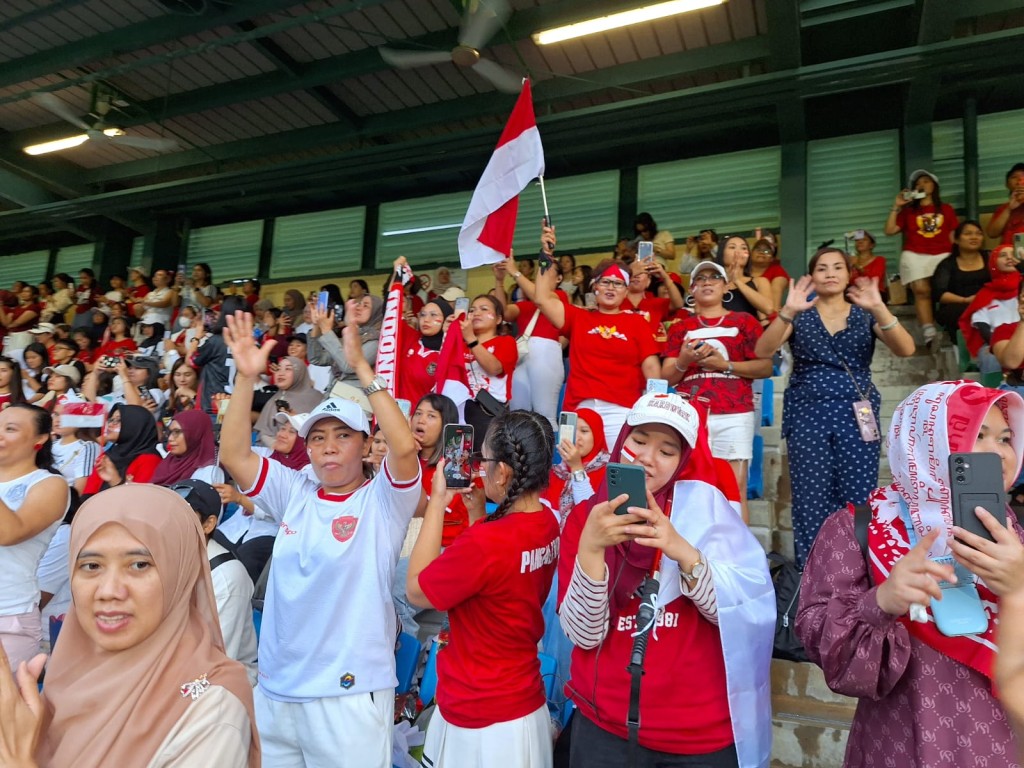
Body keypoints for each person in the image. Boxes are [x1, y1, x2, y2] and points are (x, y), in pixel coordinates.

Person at [219, 310, 420, 767]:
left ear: (367, 445)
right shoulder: (295, 490)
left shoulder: (382, 500)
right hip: (277, 691)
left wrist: (364, 371)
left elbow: (405, 449)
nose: (328, 445)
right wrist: (246, 380)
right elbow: (233, 454)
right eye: (318, 437)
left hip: (347, 697)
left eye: (343, 435)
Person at [796, 380, 1024, 767]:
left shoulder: (1014, 533)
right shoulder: (859, 528)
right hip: (902, 741)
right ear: (927, 441)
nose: (999, 454)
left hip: (1005, 746)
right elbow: (825, 647)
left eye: (1006, 438)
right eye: (976, 434)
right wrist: (881, 602)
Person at [557, 392, 775, 768]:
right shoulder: (585, 517)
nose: (645, 458)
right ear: (621, 438)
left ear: (684, 461)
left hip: (699, 736)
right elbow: (584, 635)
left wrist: (681, 549)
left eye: (667, 451)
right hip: (604, 726)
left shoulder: (709, 511)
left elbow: (741, 615)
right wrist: (591, 549)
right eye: (638, 441)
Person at [0, 484, 260, 767]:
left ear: (179, 574)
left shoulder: (211, 709)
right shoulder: (68, 676)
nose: (109, 590)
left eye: (139, 565)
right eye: (91, 566)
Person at [407, 410, 559, 768]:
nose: (478, 465)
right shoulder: (547, 521)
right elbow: (501, 584)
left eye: (484, 458)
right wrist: (479, 516)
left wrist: (437, 504)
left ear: (502, 472)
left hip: (479, 712)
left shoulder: (486, 543)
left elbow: (416, 590)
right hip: (522, 701)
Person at [754, 247, 915, 566]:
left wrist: (880, 307)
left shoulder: (865, 313)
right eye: (822, 268)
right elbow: (763, 349)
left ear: (848, 274)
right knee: (810, 497)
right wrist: (787, 310)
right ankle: (812, 574)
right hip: (807, 413)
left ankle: (857, 570)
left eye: (837, 267)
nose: (830, 273)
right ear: (811, 276)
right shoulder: (799, 313)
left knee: (858, 494)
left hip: (858, 413)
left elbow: (906, 349)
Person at [663, 261, 773, 522]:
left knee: (734, 489)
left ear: (726, 287)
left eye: (715, 277)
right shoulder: (679, 327)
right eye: (700, 278)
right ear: (691, 289)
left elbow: (765, 367)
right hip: (691, 414)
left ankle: (737, 556)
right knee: (690, 487)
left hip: (735, 412)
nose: (707, 281)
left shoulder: (744, 321)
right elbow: (666, 375)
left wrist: (724, 365)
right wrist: (684, 359)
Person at [534, 224, 660, 449]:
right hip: (578, 410)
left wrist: (653, 408)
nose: (612, 288)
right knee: (572, 474)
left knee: (618, 477)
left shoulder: (637, 322)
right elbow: (542, 298)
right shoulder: (579, 317)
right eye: (606, 282)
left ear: (626, 289)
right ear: (595, 287)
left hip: (621, 410)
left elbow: (651, 369)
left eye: (619, 283)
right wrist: (546, 255)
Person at [0, 405, 70, 670]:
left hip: (8, 616)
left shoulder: (49, 484)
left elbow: (9, 532)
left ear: (40, 439)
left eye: (10, 429)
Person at [176, 478, 259, 686]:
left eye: (185, 516)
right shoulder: (170, 559)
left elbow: (214, 659)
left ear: (208, 524)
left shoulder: (226, 576)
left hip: (222, 682)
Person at [217, 411, 311, 583]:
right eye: (282, 428)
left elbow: (275, 512)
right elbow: (233, 449)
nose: (282, 434)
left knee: (240, 567)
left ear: (305, 442)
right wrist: (225, 414)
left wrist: (239, 498)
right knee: (209, 550)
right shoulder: (267, 455)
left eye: (291, 432)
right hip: (238, 528)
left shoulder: (307, 475)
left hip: (269, 535)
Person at [884, 169, 959, 345]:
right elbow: (889, 231)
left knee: (945, 290)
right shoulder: (908, 212)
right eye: (917, 183)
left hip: (942, 253)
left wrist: (958, 257)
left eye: (925, 181)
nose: (921, 185)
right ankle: (928, 329)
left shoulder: (946, 209)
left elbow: (952, 235)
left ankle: (948, 325)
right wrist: (897, 206)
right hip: (915, 253)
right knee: (921, 290)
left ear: (934, 186)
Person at [492, 259, 564, 431]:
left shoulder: (559, 296)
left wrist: (515, 272)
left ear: (559, 278)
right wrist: (499, 281)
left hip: (546, 354)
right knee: (518, 414)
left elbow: (542, 299)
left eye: (548, 269)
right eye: (541, 268)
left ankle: (552, 458)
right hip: (522, 357)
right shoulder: (526, 304)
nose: (542, 272)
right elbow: (504, 313)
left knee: (545, 414)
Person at [307, 294, 383, 398]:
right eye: (359, 304)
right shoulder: (355, 335)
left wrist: (326, 330)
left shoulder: (377, 341)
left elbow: (348, 366)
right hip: (334, 398)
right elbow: (317, 358)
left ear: (376, 312)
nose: (358, 307)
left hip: (355, 403)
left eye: (365, 305)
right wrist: (316, 326)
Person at [546, 407, 610, 527]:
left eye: (584, 431)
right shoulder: (555, 472)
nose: (577, 437)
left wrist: (576, 467)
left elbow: (589, 513)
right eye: (572, 430)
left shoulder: (608, 472)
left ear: (597, 435)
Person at [960, 245, 1022, 365]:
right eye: (1003, 255)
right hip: (995, 343)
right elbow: (982, 326)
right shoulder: (984, 295)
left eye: (1013, 254)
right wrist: (997, 344)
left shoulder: (1022, 288)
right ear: (993, 262)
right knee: (991, 358)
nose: (1009, 258)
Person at [81, 404, 162, 495]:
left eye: (118, 420)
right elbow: (88, 494)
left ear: (134, 425)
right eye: (111, 420)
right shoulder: (107, 456)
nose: (110, 424)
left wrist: (116, 482)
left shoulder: (150, 460)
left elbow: (141, 502)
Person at [931, 220, 989, 344]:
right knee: (962, 312)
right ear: (957, 240)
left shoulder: (990, 258)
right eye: (968, 234)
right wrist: (965, 300)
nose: (974, 237)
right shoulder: (947, 264)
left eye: (978, 233)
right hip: (958, 305)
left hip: (988, 302)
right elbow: (939, 294)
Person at [253, 356, 324, 448]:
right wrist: (274, 444)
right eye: (278, 369)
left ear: (299, 373)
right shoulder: (275, 398)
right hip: (271, 455)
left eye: (288, 369)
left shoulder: (316, 398)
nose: (281, 373)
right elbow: (263, 431)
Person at [151, 410, 224, 487]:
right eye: (170, 432)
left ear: (195, 434)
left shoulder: (210, 470)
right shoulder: (168, 461)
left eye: (177, 432)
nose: (170, 438)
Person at [715, 235, 775, 318]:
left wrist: (737, 281)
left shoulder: (759, 281)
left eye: (743, 248)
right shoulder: (713, 282)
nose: (738, 251)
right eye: (732, 247)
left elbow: (768, 308)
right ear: (722, 254)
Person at [985, 162, 1024, 246]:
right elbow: (992, 233)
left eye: (1023, 177)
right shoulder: (1003, 208)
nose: (1019, 181)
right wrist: (1009, 209)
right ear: (1007, 184)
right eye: (1014, 177)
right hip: (1008, 255)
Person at [748, 236, 790, 313]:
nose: (762, 252)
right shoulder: (744, 271)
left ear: (772, 258)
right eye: (758, 249)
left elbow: (774, 306)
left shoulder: (777, 271)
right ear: (750, 254)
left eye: (767, 251)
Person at [848, 231, 887, 299]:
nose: (860, 242)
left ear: (872, 245)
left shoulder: (879, 260)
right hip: (855, 295)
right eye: (857, 240)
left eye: (864, 239)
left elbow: (873, 280)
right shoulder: (852, 260)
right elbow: (848, 282)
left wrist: (857, 265)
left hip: (875, 295)